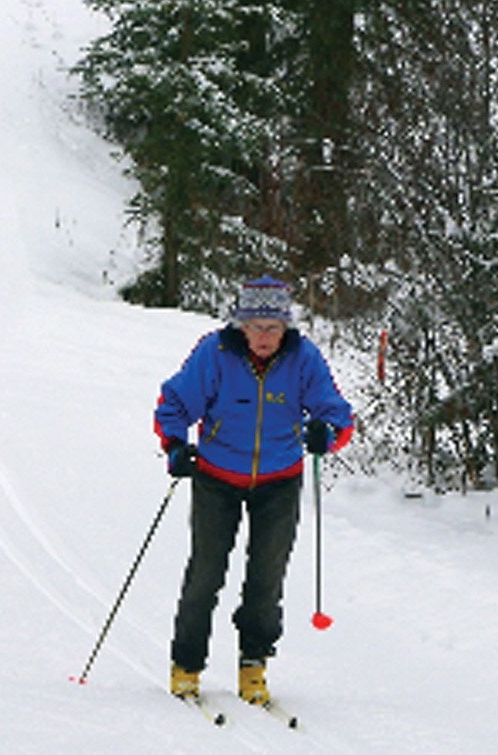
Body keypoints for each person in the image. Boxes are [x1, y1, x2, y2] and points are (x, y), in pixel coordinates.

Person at [154, 274, 353, 704]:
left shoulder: (304, 358)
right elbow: (174, 403)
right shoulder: (215, 352)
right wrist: (175, 446)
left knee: (266, 580)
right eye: (257, 327)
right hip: (217, 478)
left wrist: (326, 434)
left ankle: (253, 667)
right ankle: (186, 665)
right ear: (241, 325)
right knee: (205, 575)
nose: (265, 337)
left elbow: (337, 415)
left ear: (287, 329)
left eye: (274, 328)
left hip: (279, 482)